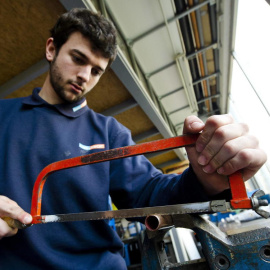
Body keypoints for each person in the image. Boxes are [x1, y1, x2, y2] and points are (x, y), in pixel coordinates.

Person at [0, 8, 266, 270]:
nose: (84, 76)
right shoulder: (3, 115)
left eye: (97, 71)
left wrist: (203, 181)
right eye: (78, 59)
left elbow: (149, 194)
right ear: (51, 49)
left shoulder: (108, 132)